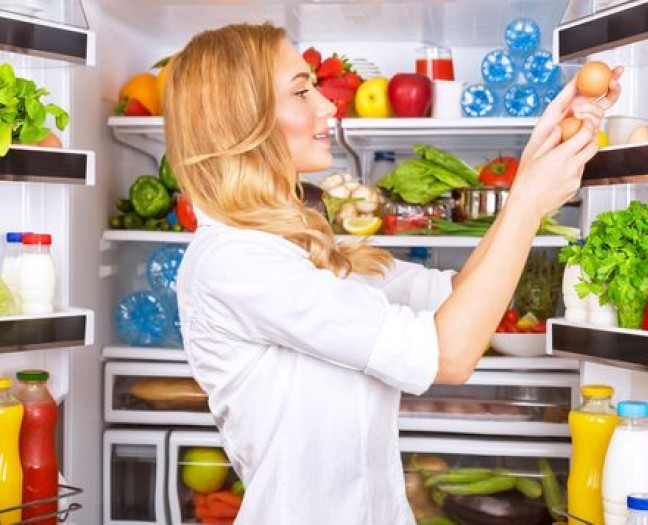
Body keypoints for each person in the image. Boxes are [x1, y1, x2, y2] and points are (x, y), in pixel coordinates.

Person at [165, 22, 622, 525]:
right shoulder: (236, 262)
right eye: (301, 90)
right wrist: (529, 204)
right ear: (240, 121)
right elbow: (449, 356)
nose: (328, 106)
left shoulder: (294, 247)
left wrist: (532, 162)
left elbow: (456, 296)